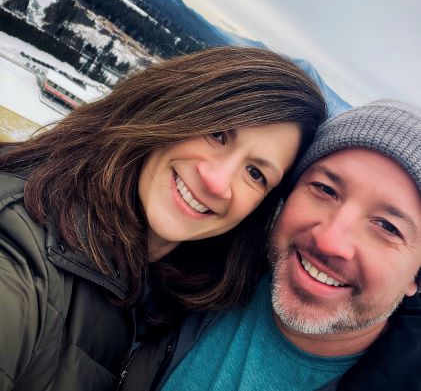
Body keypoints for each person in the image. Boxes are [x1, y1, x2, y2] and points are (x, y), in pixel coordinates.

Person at [0, 46, 327, 391]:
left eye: (255, 173)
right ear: (174, 104)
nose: (216, 182)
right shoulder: (22, 252)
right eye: (217, 134)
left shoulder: (176, 299)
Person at [122, 99, 421, 391]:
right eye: (325, 190)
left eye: (387, 227)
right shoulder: (187, 270)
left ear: (416, 277)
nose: (330, 241)